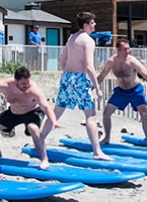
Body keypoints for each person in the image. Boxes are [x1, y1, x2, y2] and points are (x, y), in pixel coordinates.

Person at [39, 12, 111, 167]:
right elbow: (89, 66)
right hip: (80, 78)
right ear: (85, 25)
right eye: (92, 23)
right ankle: (97, 152)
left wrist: (69, 75)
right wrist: (97, 88)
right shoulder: (88, 40)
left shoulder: (72, 38)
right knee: (90, 116)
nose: (94, 25)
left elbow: (62, 61)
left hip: (67, 77)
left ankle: (39, 140)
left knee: (57, 111)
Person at [0, 66, 62, 160]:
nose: (26, 85)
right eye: (23, 83)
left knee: (33, 128)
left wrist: (54, 121)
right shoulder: (5, 86)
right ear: (16, 81)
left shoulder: (34, 90)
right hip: (14, 113)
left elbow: (46, 107)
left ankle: (44, 158)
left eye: (27, 82)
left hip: (32, 112)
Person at [97, 39, 147, 151]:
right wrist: (92, 88)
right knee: (106, 113)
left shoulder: (133, 61)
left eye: (128, 48)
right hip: (121, 92)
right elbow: (101, 76)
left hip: (136, 91)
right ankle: (106, 138)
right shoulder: (111, 62)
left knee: (144, 114)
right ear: (118, 49)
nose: (128, 51)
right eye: (125, 49)